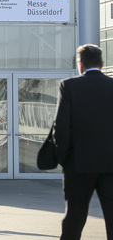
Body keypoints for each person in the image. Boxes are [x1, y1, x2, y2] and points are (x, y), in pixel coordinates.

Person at [53, 44, 113, 240]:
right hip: (111, 164)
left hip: (78, 165)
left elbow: (61, 127)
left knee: (74, 218)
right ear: (102, 64)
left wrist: (65, 159)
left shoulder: (69, 86)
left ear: (80, 64)